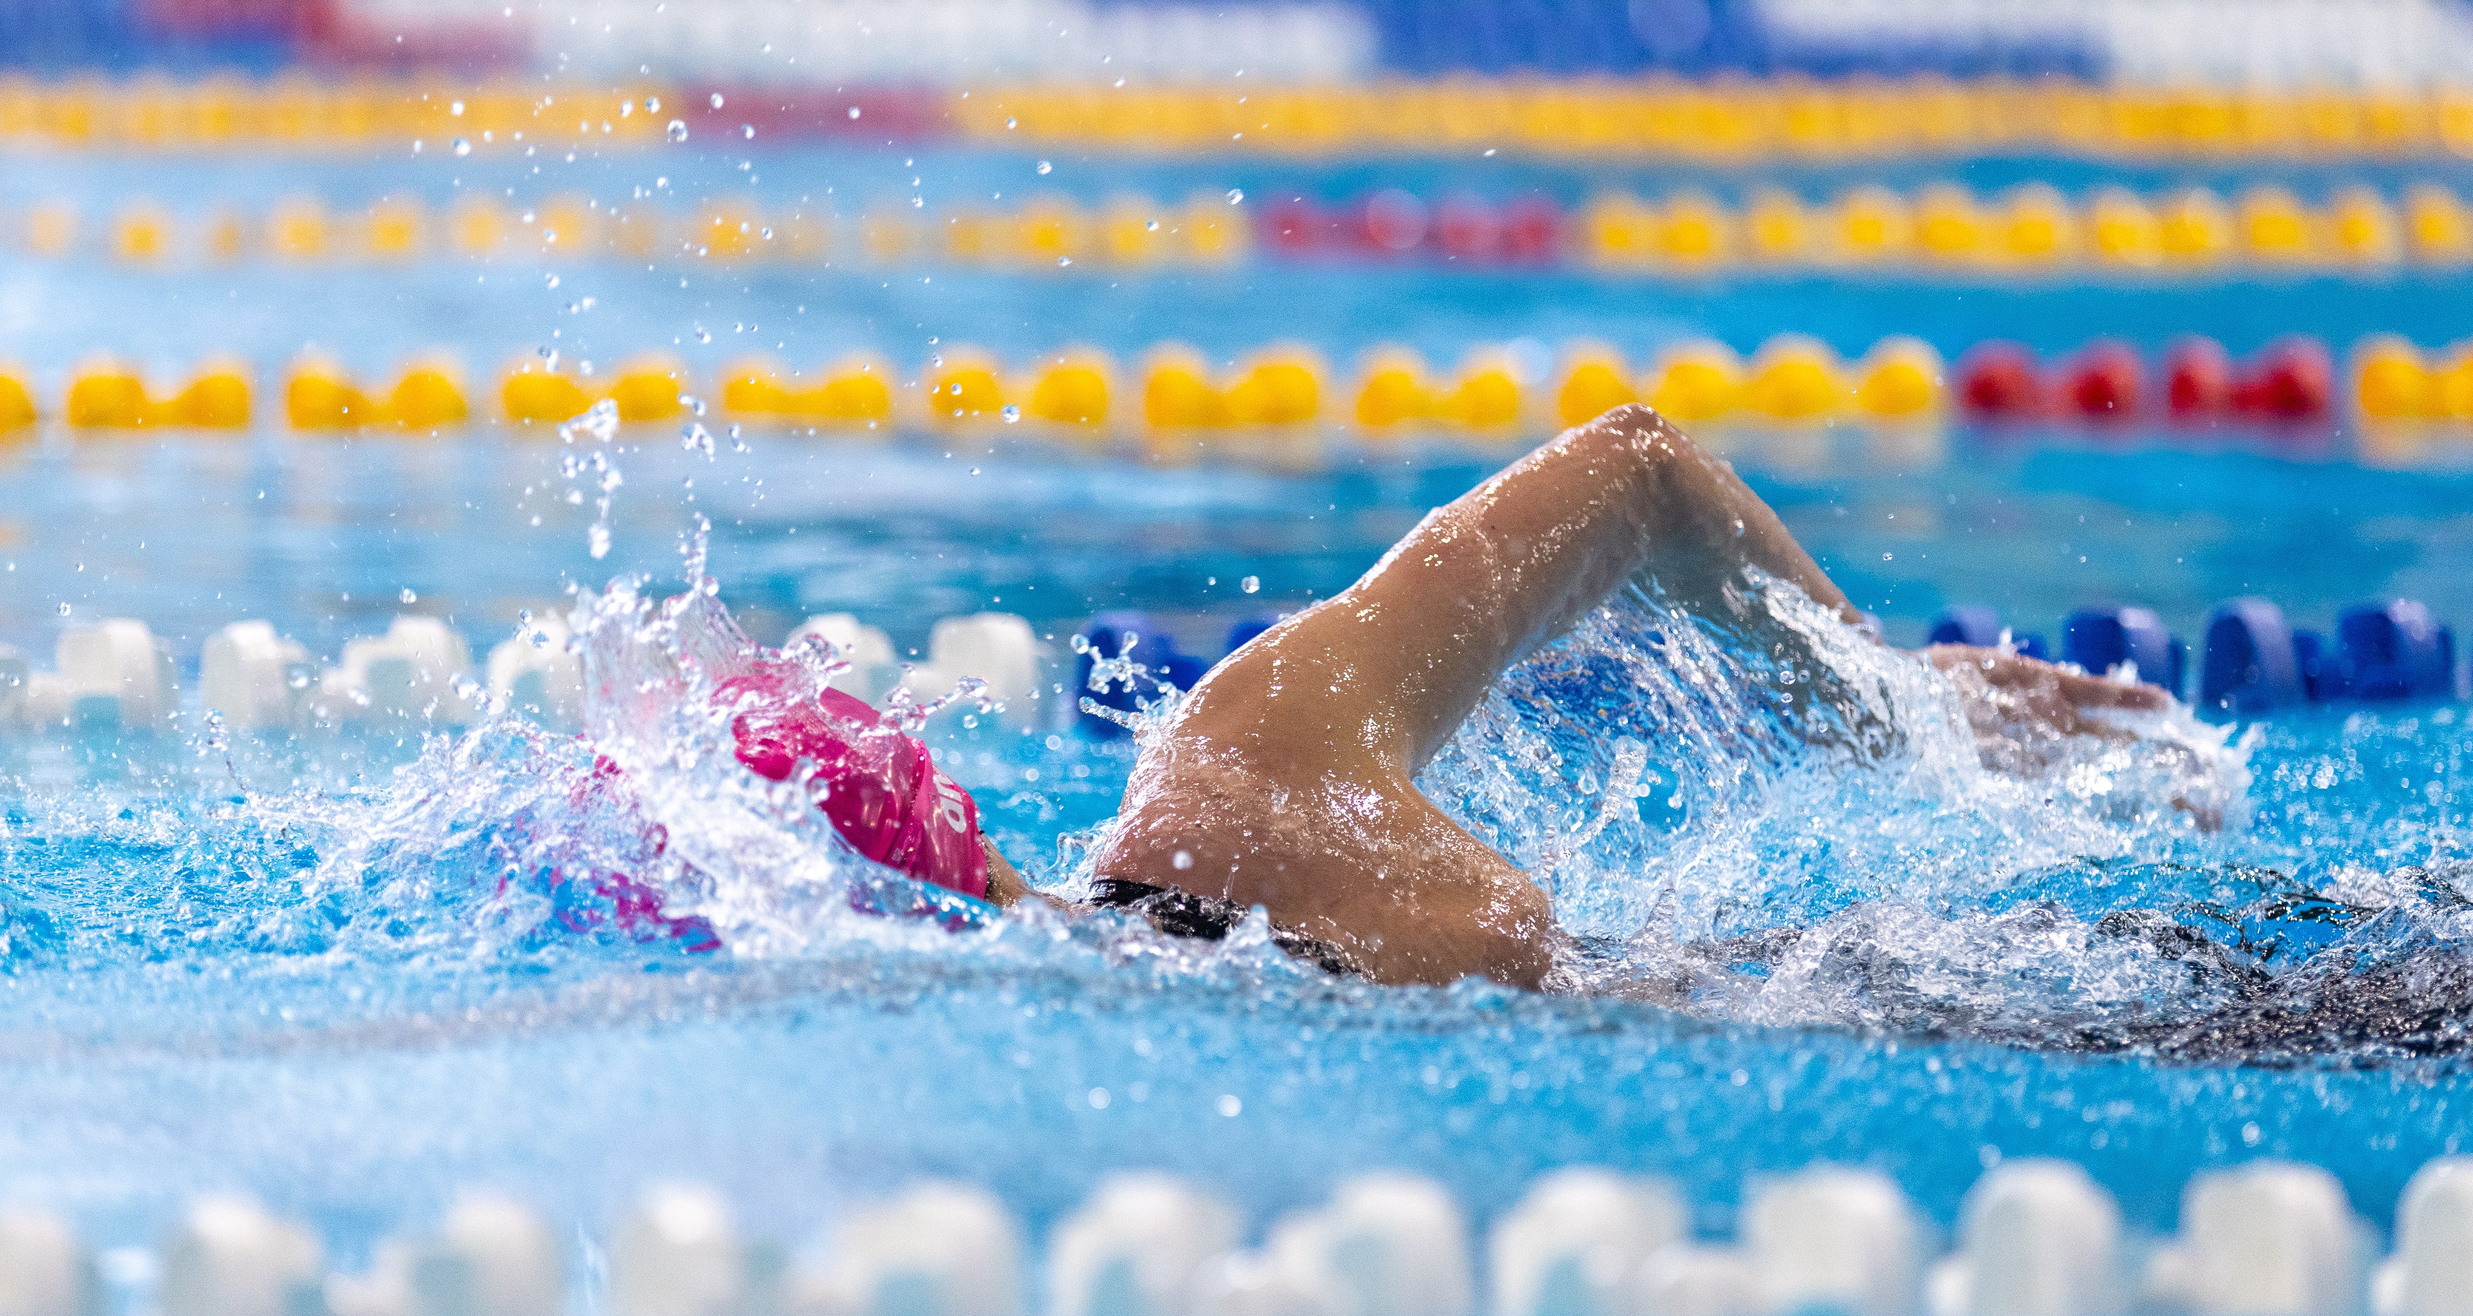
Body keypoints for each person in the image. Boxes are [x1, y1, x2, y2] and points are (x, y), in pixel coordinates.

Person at [733, 405, 2165, 988]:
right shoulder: (1242, 760)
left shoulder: (1246, 772)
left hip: (1997, 987)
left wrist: (1890, 704)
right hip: (1963, 995)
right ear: (966, 833)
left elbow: (1638, 468)